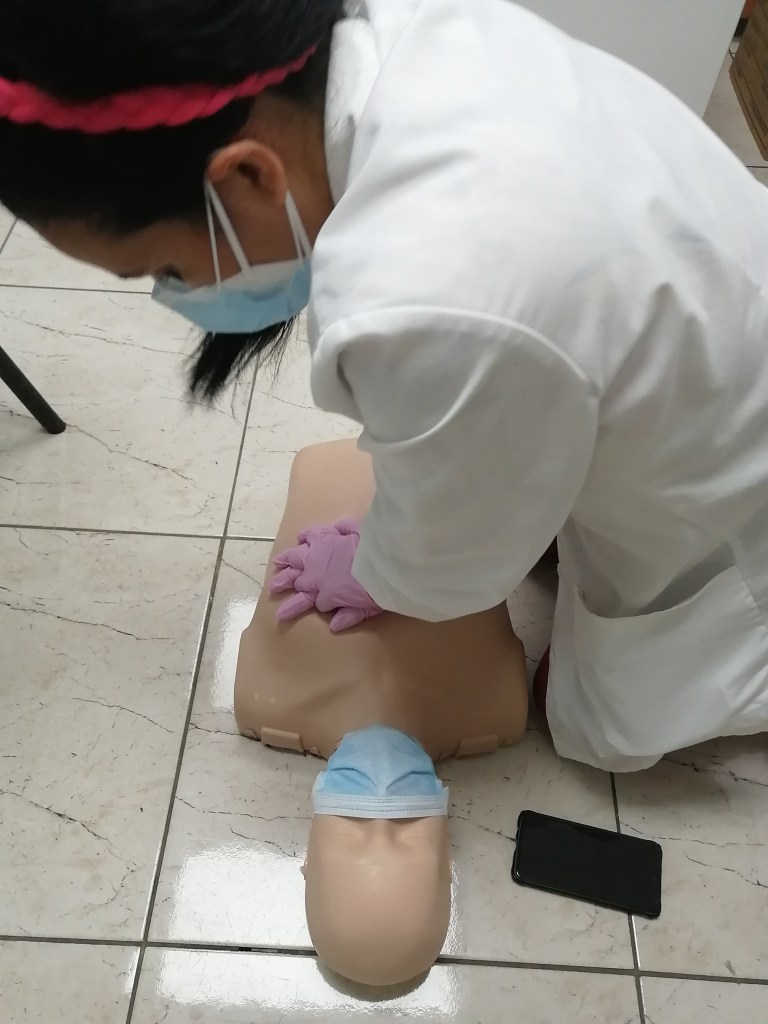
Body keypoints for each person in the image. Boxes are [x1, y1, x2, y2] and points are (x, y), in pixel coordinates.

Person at [1, 0, 767, 772]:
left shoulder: (430, 298)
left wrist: (381, 571)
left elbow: (452, 560)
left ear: (248, 173)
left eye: (165, 268)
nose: (177, 295)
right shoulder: (396, 29)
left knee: (590, 721)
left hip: (733, 477)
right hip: (706, 303)